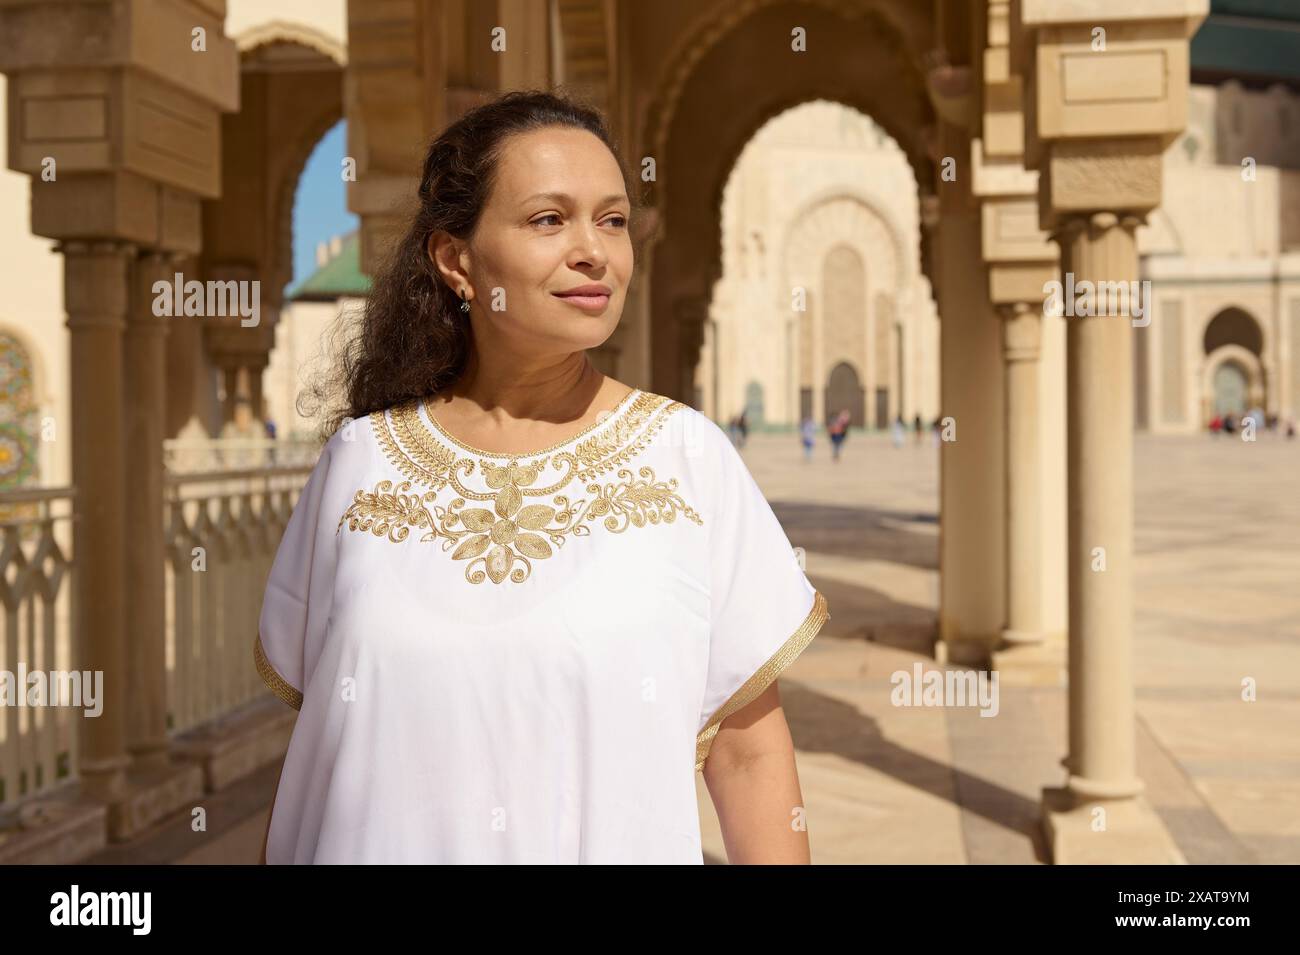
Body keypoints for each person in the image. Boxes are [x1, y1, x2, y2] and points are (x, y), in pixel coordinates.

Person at [255, 91, 829, 865]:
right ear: (456, 260)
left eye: (614, 220)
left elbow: (749, 754)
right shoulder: (360, 465)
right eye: (549, 219)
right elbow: (319, 758)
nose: (594, 250)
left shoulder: (689, 462)